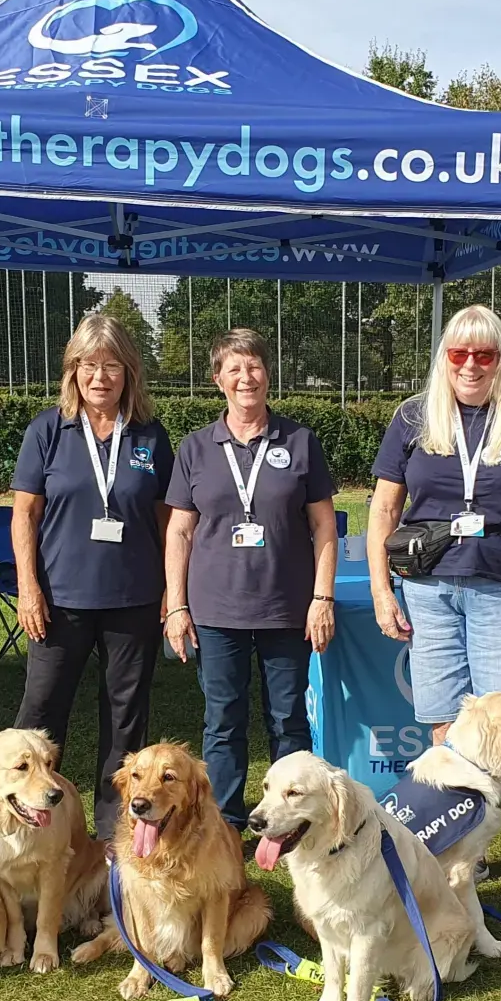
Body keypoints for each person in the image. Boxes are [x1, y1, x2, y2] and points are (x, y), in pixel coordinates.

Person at [367, 304, 501, 864]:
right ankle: (460, 867)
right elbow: (384, 509)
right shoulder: (414, 417)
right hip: (429, 593)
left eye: (485, 354)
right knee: (448, 741)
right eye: (459, 353)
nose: (472, 365)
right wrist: (385, 592)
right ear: (444, 358)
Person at [163, 328, 338, 831]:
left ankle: (298, 825)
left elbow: (325, 524)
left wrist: (321, 597)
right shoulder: (195, 449)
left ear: (268, 373)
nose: (246, 377)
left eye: (254, 366)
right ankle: (223, 827)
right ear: (218, 379)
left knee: (288, 722)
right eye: (234, 369)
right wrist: (176, 606)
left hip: (287, 610)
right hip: (216, 611)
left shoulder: (300, 442)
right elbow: (179, 530)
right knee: (222, 724)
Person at [11, 312, 174, 840]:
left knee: (126, 719)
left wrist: (173, 590)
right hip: (60, 599)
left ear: (129, 372)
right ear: (72, 371)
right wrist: (28, 588)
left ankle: (113, 831)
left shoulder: (150, 434)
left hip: (134, 598)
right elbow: (25, 515)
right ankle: (28, 822)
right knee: (40, 715)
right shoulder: (47, 430)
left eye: (110, 366)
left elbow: (168, 518)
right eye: (87, 365)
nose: (99, 377)